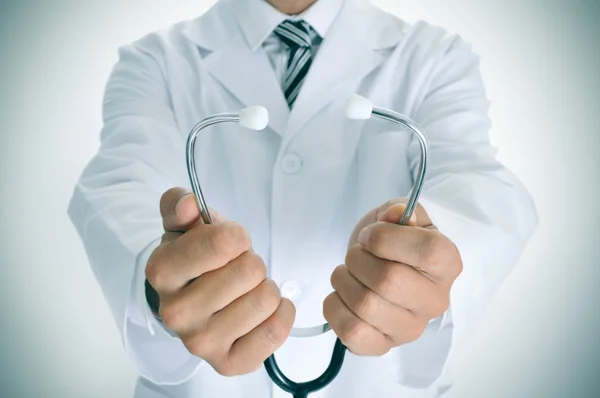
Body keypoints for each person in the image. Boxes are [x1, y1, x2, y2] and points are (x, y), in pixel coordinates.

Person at [68, 0, 538, 397]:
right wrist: (161, 277)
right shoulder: (154, 61)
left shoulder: (434, 57)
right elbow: (121, 185)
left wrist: (432, 255)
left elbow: (476, 184)